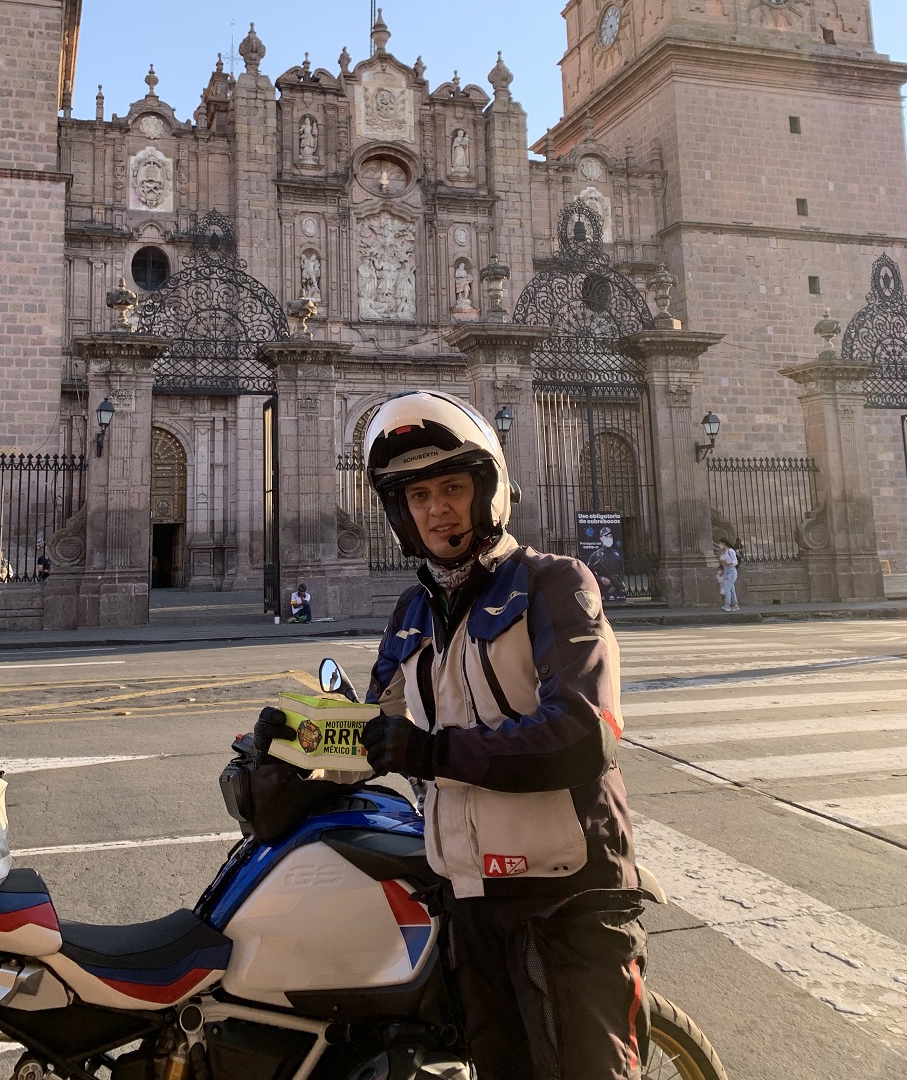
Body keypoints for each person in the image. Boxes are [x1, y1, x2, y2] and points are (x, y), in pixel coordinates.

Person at [256, 391, 646, 1079]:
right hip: (469, 897)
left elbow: (583, 734)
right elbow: (375, 733)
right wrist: (294, 746)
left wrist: (433, 752)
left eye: (452, 489)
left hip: (564, 897)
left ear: (486, 492)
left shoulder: (553, 585)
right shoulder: (412, 610)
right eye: (419, 496)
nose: (437, 509)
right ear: (401, 514)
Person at [717, 538, 739, 610]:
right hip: (726, 570)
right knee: (731, 588)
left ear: (724, 543)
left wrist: (729, 563)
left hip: (731, 571)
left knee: (727, 588)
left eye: (720, 544)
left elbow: (735, 561)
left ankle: (727, 605)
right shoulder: (724, 552)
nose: (719, 545)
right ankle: (735, 605)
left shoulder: (730, 551)